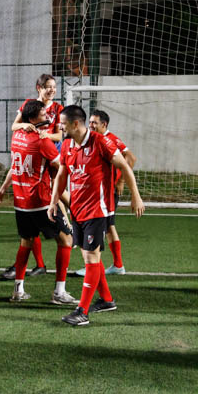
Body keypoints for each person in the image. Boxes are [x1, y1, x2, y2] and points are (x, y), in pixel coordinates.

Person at [48, 105, 145, 326]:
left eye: (62, 123)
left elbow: (125, 166)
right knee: (89, 256)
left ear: (75, 124)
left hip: (97, 211)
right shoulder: (66, 146)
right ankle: (107, 300)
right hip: (78, 210)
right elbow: (62, 174)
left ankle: (82, 311)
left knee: (91, 258)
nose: (59, 127)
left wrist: (136, 196)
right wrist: (54, 202)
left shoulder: (101, 142)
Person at [0, 100, 77, 304]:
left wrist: (3, 188)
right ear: (32, 119)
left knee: (26, 243)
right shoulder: (42, 142)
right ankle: (59, 292)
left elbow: (14, 166)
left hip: (21, 202)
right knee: (66, 241)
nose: (47, 115)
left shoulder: (17, 137)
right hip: (41, 201)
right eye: (42, 113)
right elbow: (61, 169)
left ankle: (18, 290)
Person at [0, 74, 63, 279]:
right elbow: (15, 126)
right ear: (39, 88)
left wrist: (44, 135)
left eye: (54, 87)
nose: (52, 90)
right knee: (33, 218)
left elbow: (60, 136)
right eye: (48, 87)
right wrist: (29, 128)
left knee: (55, 197)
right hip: (33, 155)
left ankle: (74, 219)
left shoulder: (57, 109)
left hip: (48, 157)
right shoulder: (29, 105)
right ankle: (39, 265)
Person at [74, 109, 137, 277]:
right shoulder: (93, 138)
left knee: (102, 228)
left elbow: (130, 158)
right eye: (90, 122)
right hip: (100, 192)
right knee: (109, 227)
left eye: (95, 122)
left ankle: (95, 267)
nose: (91, 125)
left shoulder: (109, 139)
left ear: (104, 124)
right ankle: (116, 265)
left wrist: (121, 181)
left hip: (105, 193)